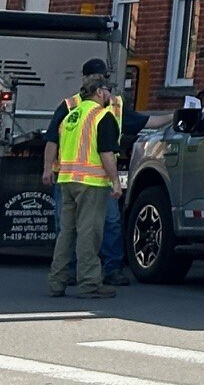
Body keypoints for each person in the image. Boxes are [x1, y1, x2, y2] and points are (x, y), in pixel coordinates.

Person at [41, 58, 128, 286]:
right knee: (90, 232)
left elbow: (55, 139)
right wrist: (115, 181)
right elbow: (106, 153)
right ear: (98, 91)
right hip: (92, 182)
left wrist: (49, 169)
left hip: (67, 178)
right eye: (105, 88)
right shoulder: (101, 115)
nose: (108, 93)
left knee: (66, 232)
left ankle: (58, 280)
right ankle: (89, 282)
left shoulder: (73, 113)